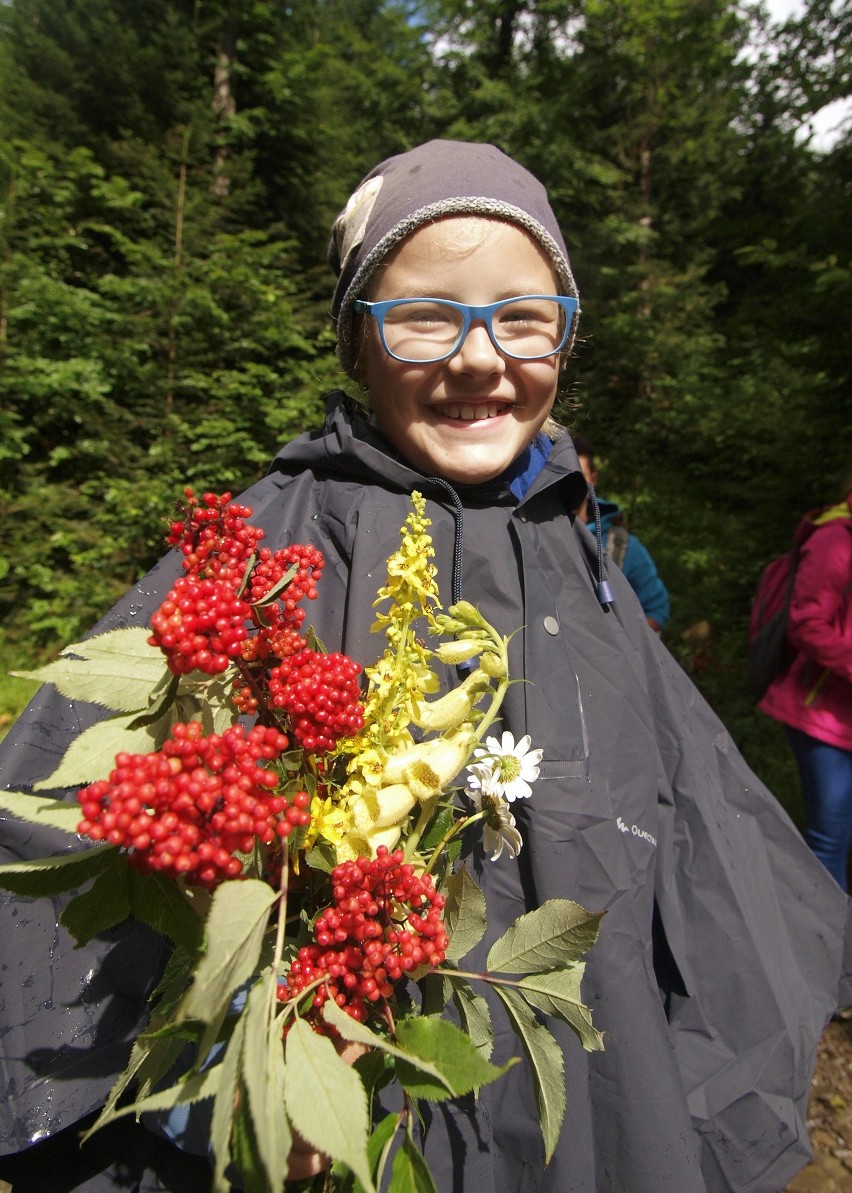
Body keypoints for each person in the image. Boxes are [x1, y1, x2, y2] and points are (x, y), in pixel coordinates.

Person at [0, 139, 848, 1193]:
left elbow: (704, 833)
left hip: (584, 1108)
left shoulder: (585, 561)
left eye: (523, 315)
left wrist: (708, 1078)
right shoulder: (269, 556)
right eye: (425, 315)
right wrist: (229, 1068)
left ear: (565, 341)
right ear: (357, 341)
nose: (481, 356)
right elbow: (72, 826)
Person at [758, 483, 852, 891]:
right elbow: (807, 623)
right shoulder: (835, 538)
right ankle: (826, 946)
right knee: (829, 839)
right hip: (821, 714)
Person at [572, 432, 670, 631]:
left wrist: (623, 647)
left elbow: (656, 611)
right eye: (560, 474)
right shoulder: (530, 533)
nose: (568, 484)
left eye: (577, 475)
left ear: (593, 478)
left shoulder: (623, 547)